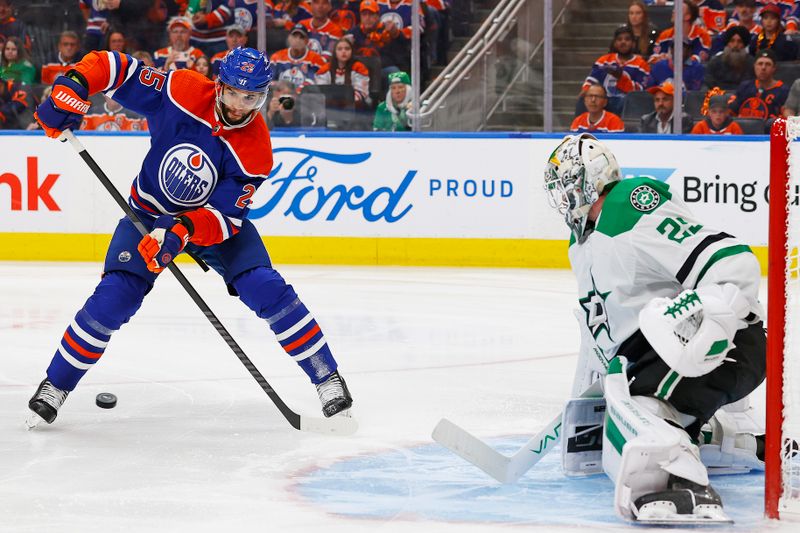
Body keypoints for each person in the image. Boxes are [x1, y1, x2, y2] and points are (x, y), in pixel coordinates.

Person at [28, 47, 354, 426]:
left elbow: (226, 217)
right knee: (115, 297)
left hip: (207, 228)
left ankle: (326, 377)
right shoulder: (182, 90)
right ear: (219, 84)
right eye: (233, 92)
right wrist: (76, 83)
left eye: (251, 97)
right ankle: (56, 384)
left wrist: (181, 232)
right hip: (147, 215)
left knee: (266, 288)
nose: (239, 105)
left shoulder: (256, 149)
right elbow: (115, 68)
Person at [542, 134, 765, 523]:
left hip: (724, 343)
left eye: (566, 186)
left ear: (588, 179)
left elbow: (731, 263)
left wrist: (713, 316)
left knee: (644, 405)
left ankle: (686, 486)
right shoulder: (581, 246)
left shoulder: (627, 204)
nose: (562, 198)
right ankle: (741, 442)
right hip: (662, 356)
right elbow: (600, 334)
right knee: (628, 401)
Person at [579, 26, 650, 117]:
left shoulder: (642, 65)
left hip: (626, 104)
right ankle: (579, 128)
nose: (623, 42)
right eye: (619, 39)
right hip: (603, 101)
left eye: (627, 39)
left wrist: (620, 78)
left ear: (633, 43)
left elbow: (640, 92)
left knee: (623, 101)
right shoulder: (604, 60)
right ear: (615, 43)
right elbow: (590, 81)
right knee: (584, 99)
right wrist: (586, 90)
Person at [729, 48, 788, 121]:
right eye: (760, 64)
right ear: (754, 66)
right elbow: (730, 112)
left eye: (768, 64)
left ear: (774, 68)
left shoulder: (783, 91)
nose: (763, 68)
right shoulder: (745, 86)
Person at [316, 37, 371, 107]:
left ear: (352, 51)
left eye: (347, 49)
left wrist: (344, 102)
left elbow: (362, 92)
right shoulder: (325, 69)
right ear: (335, 52)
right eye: (340, 49)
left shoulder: (359, 68)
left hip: (355, 108)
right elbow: (321, 91)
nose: (344, 51)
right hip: (330, 107)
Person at [270, 23, 327, 87]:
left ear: (307, 41)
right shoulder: (276, 58)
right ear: (289, 38)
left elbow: (323, 83)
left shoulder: (316, 59)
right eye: (294, 36)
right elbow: (269, 82)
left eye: (301, 37)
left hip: (306, 95)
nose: (297, 40)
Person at [705, 26, 755, 90]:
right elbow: (707, 84)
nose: (735, 45)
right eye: (732, 41)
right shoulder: (715, 62)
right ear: (727, 43)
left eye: (739, 42)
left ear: (744, 45)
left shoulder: (752, 64)